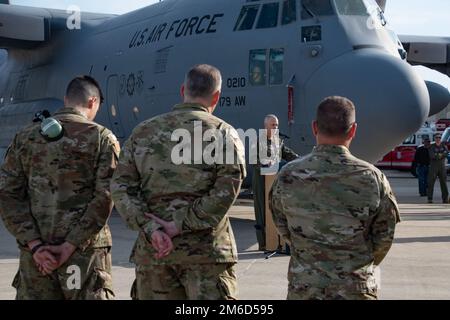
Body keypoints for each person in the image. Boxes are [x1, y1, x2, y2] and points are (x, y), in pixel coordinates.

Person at [110, 64, 246, 300]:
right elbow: (227, 190)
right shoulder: (224, 133)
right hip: (206, 256)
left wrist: (152, 228)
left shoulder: (143, 132)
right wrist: (181, 224)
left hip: (155, 255)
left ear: (183, 89)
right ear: (216, 96)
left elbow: (121, 188)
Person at [0, 76, 119, 300]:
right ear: (93, 102)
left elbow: (7, 194)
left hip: (37, 258)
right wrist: (69, 245)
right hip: (85, 257)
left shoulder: (25, 138)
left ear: (66, 99)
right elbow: (105, 197)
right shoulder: (102, 138)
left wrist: (35, 245)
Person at [269, 96, 400, 300]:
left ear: (314, 128)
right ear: (353, 130)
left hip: (305, 286)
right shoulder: (373, 178)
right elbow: (384, 237)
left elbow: (282, 225)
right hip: (355, 287)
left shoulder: (287, 175)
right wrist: (356, 263)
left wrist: (310, 254)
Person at [252, 114, 298, 251]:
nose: (276, 127)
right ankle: (264, 243)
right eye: (273, 125)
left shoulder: (278, 141)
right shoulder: (258, 142)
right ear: (265, 126)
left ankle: (277, 242)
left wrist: (301, 160)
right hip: (262, 181)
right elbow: (256, 162)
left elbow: (288, 154)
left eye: (277, 125)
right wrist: (267, 165)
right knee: (262, 211)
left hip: (275, 180)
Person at [427, 133, 449, 203]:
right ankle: (430, 198)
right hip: (433, 167)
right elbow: (432, 156)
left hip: (442, 167)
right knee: (431, 183)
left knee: (444, 183)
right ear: (434, 138)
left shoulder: (444, 146)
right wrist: (441, 155)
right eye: (436, 137)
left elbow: (446, 153)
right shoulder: (431, 146)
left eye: (439, 137)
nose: (438, 139)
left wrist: (439, 155)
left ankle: (445, 199)